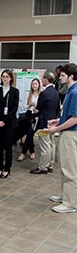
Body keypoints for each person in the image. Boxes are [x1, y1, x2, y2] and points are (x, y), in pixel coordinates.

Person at [47, 63, 77, 213]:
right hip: (67, 132)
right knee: (64, 167)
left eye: (63, 75)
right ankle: (65, 195)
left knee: (70, 169)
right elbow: (68, 115)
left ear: (71, 76)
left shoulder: (75, 92)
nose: (60, 77)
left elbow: (75, 119)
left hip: (71, 134)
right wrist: (57, 121)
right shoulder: (71, 91)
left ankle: (70, 203)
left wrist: (56, 129)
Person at [30, 72, 60, 174]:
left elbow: (38, 108)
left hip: (43, 122)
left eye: (42, 79)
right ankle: (50, 165)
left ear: (46, 80)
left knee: (44, 146)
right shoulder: (56, 92)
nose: (41, 81)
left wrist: (36, 109)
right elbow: (57, 108)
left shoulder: (44, 93)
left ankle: (43, 167)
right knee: (51, 143)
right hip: (53, 122)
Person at [0, 69, 19, 178]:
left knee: (8, 146)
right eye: (3, 76)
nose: (5, 78)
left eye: (7, 76)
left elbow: (14, 109)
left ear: (11, 78)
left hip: (9, 123)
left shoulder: (15, 91)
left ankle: (7, 168)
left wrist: (5, 121)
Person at [17, 78, 41, 161]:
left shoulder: (41, 95)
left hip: (36, 116)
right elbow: (24, 107)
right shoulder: (28, 94)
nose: (34, 85)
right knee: (29, 133)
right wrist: (30, 104)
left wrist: (38, 108)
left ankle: (23, 153)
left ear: (39, 85)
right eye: (33, 84)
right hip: (28, 115)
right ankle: (32, 151)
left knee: (30, 133)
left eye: (36, 84)